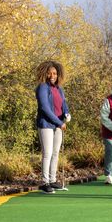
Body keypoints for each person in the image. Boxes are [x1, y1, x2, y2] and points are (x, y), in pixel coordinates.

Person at [35, 60, 70, 194]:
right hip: (46, 124)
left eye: (54, 73)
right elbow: (45, 108)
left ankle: (53, 179)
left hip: (58, 125)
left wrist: (67, 114)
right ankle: (45, 182)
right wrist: (59, 122)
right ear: (45, 74)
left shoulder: (59, 89)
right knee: (47, 153)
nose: (52, 76)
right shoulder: (42, 87)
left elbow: (63, 105)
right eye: (49, 73)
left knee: (55, 153)